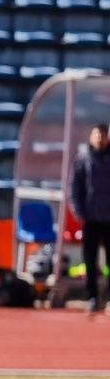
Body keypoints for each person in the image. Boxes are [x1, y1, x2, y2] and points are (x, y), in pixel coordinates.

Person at [70, 123, 110, 314]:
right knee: (90, 259)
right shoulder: (83, 159)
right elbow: (75, 187)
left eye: (102, 135)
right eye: (96, 135)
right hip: (91, 217)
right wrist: (79, 211)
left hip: (109, 217)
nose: (99, 139)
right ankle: (92, 296)